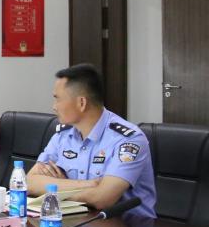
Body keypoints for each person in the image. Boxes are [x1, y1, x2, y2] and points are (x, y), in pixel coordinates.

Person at [27, 64, 156, 218]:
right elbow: (30, 182)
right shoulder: (63, 135)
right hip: (78, 221)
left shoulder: (128, 140)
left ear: (81, 103)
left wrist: (55, 189)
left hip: (128, 226)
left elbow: (102, 199)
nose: (54, 107)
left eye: (58, 99)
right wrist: (88, 184)